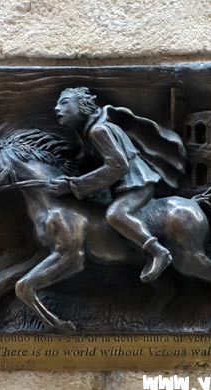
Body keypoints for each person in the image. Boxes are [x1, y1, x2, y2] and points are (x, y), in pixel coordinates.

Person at [48, 87, 186, 283]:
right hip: (120, 187)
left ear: (83, 105)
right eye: (56, 104)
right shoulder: (89, 132)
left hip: (137, 185)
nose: (56, 108)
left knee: (116, 215)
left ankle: (158, 252)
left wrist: (74, 185)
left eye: (64, 103)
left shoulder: (99, 130)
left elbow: (118, 166)